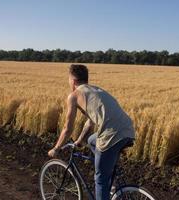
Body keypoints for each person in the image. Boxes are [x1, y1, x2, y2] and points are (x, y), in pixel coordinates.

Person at [48, 64, 135, 200]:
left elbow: (67, 128)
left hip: (111, 135)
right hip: (128, 130)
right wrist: (80, 140)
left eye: (69, 79)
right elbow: (90, 122)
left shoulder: (74, 96)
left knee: (100, 179)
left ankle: (106, 177)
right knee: (91, 140)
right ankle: (110, 176)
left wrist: (56, 148)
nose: (68, 82)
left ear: (74, 81)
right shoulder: (95, 90)